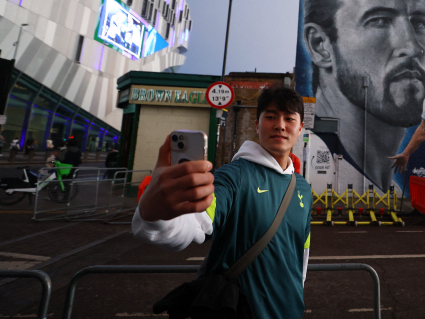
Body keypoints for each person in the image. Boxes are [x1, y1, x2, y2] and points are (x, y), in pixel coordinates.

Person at [132, 86, 312, 319]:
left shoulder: (303, 188)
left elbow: (302, 254)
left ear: (300, 129)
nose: (280, 125)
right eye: (270, 116)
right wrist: (156, 214)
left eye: (289, 118)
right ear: (257, 125)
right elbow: (193, 223)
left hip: (290, 310)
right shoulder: (234, 176)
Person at [302, 0, 425, 191]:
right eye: (380, 21)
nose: (413, 47)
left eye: (420, 24)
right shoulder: (309, 182)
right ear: (320, 45)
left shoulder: (383, 188)